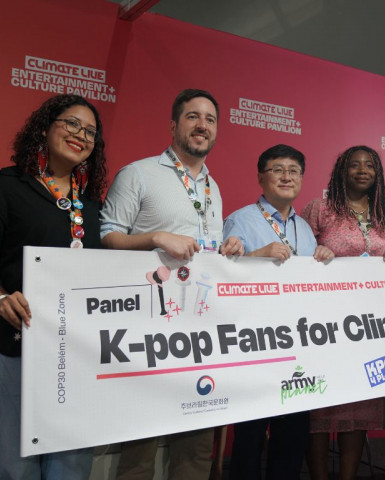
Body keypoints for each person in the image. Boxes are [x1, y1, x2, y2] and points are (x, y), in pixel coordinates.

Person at [100, 88, 244, 480]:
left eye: (210, 119)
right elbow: (108, 236)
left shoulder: (213, 187)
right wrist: (156, 238)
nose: (202, 125)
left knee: (195, 447)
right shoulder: (138, 173)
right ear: (173, 125)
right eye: (193, 116)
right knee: (140, 448)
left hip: (199, 328)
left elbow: (204, 250)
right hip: (148, 328)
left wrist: (226, 249)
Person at [0, 94, 107, 479]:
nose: (81, 135)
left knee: (72, 459)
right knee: (16, 462)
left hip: (77, 348)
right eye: (71, 124)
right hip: (15, 340)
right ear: (46, 128)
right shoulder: (5, 186)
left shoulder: (91, 205)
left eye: (90, 131)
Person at [223, 144, 334, 480]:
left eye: (294, 171)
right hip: (254, 346)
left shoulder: (305, 229)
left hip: (297, 347)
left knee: (291, 441)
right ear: (261, 177)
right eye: (278, 170)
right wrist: (257, 255)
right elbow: (223, 276)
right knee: (249, 439)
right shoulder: (240, 219)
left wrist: (323, 257)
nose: (287, 177)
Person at [301, 145, 385, 480]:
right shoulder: (320, 209)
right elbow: (297, 254)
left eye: (369, 165)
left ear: (378, 173)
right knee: (319, 409)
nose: (362, 170)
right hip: (325, 327)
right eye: (354, 165)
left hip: (371, 328)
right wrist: (314, 252)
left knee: (359, 407)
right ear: (341, 171)